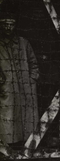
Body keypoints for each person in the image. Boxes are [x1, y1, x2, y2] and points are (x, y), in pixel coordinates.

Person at [0, 12, 39, 152]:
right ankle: (8, 146)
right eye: (5, 24)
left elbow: (34, 63)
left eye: (11, 24)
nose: (8, 28)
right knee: (8, 116)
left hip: (26, 87)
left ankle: (28, 145)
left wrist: (32, 80)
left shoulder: (24, 43)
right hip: (6, 88)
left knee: (27, 116)